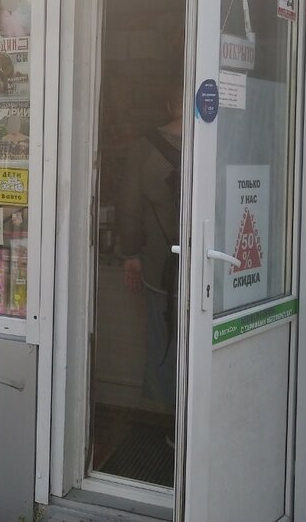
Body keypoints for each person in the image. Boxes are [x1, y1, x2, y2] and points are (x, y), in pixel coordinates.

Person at [116, 82, 183, 421]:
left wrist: (131, 256)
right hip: (211, 265)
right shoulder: (218, 141)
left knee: (162, 338)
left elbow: (129, 207)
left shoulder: (144, 147)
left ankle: (162, 417)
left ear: (169, 105)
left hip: (160, 263)